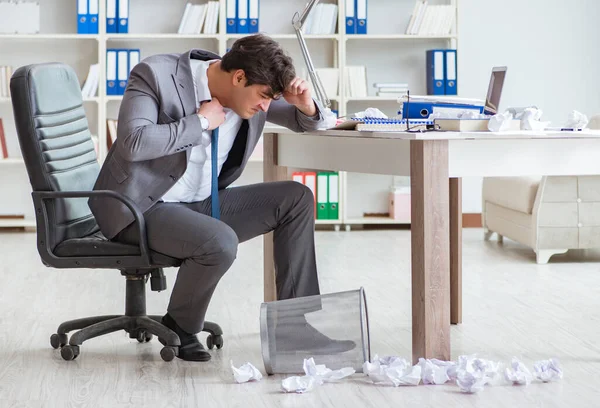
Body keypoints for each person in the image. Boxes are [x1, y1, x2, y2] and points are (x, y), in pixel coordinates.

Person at [88, 34, 354, 361]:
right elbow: (133, 141)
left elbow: (305, 122)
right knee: (220, 241)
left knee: (295, 198)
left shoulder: (251, 90)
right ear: (238, 77)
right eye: (263, 97)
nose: (266, 107)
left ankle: (295, 330)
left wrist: (305, 104)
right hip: (140, 207)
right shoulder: (156, 74)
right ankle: (181, 325)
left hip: (201, 204)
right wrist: (199, 122)